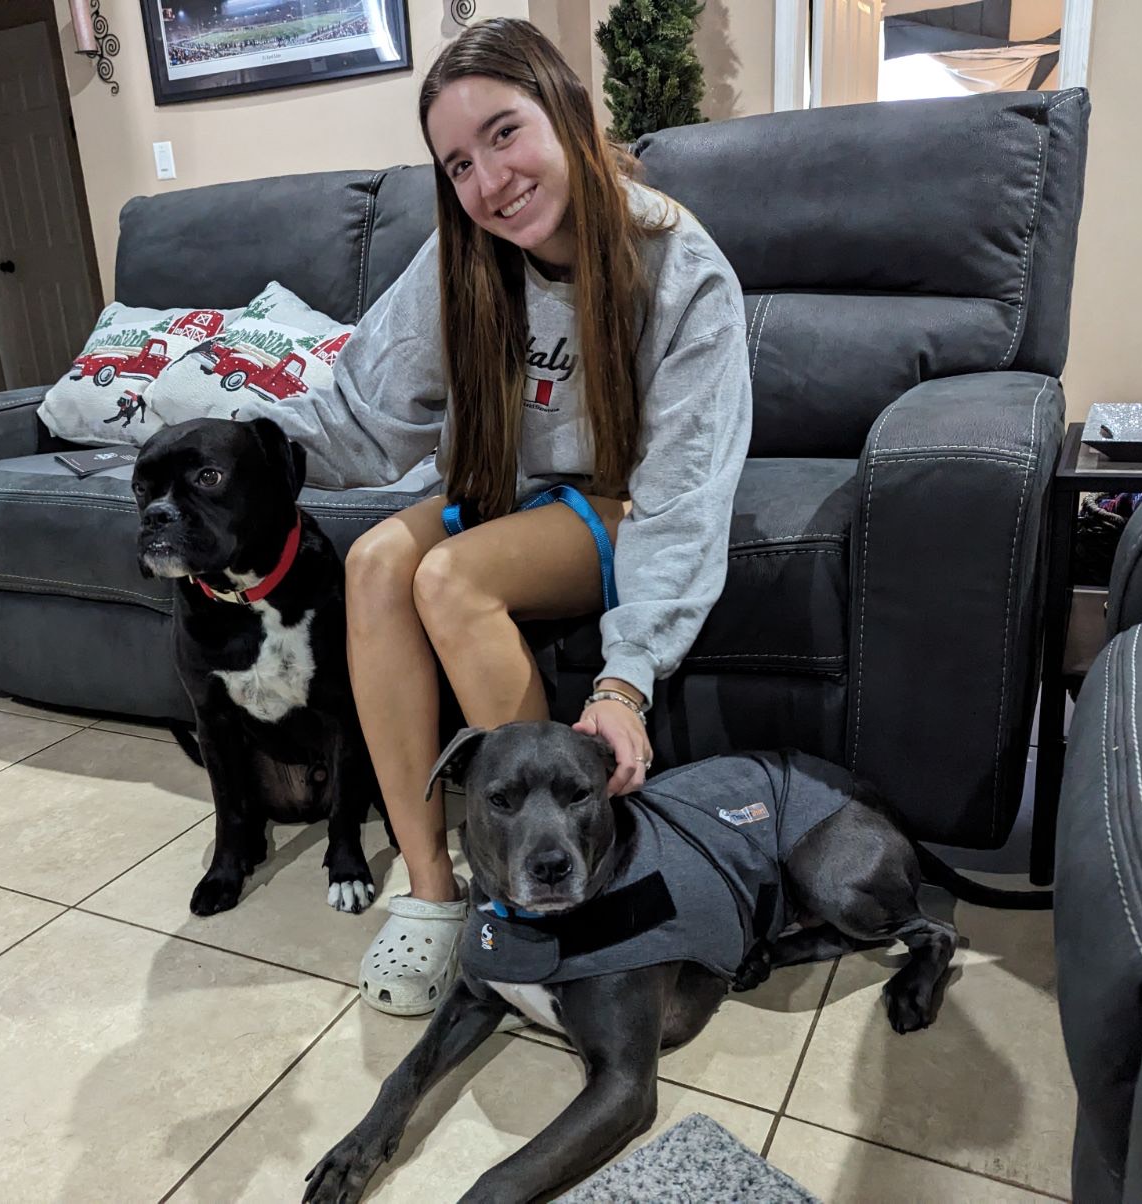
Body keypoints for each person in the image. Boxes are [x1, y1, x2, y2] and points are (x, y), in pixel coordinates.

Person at [234, 18, 752, 1015]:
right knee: (381, 557)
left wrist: (627, 681)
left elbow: (685, 498)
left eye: (505, 133)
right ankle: (437, 894)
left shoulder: (678, 269)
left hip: (612, 498)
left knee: (447, 573)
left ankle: (555, 876)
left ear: (566, 110)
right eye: (460, 163)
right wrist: (245, 445)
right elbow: (363, 417)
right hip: (496, 490)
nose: (490, 180)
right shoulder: (461, 257)